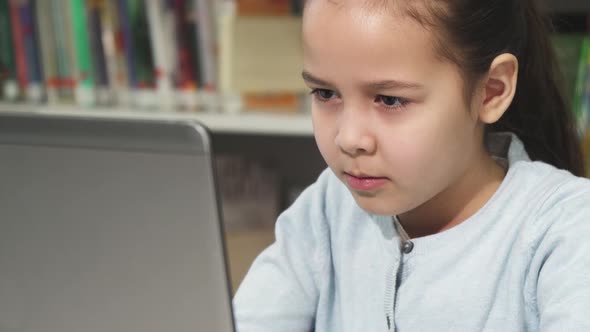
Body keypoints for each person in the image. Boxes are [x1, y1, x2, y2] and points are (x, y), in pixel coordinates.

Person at [232, 0, 590, 331]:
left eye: (390, 100)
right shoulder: (327, 208)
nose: (349, 138)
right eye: (325, 93)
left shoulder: (565, 229)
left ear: (491, 90)